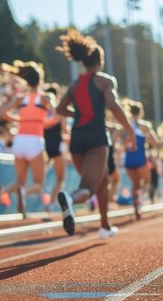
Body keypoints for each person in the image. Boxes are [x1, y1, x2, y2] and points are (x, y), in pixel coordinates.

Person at [55, 29, 136, 239]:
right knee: (89, 187)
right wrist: (130, 131)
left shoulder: (74, 85)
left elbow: (60, 110)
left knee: (102, 181)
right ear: (100, 61)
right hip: (97, 138)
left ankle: (105, 226)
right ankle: (70, 199)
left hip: (77, 139)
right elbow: (114, 106)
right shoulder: (105, 81)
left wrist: (79, 112)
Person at [0, 60, 53, 215]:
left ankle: (3, 192)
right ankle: (23, 194)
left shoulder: (20, 98)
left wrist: (18, 120)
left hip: (19, 141)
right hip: (35, 140)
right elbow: (57, 115)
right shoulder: (45, 98)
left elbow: (1, 112)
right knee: (38, 184)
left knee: (20, 181)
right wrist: (43, 122)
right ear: (40, 79)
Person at [120, 99, 158, 219]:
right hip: (140, 158)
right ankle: (140, 199)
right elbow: (155, 142)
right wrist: (147, 138)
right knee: (147, 181)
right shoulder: (144, 126)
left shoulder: (125, 126)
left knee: (135, 184)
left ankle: (136, 203)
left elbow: (120, 143)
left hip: (128, 159)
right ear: (140, 113)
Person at [43, 83, 67, 205]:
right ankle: (51, 204)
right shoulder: (57, 111)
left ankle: (45, 201)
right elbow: (64, 128)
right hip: (56, 145)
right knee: (60, 178)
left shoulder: (42, 110)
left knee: (41, 177)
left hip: (45, 146)